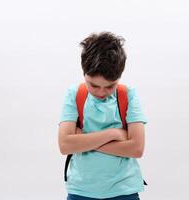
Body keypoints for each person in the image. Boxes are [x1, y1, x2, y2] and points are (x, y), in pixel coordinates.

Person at [58, 32, 147, 200]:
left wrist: (83, 141)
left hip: (124, 190)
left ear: (119, 77)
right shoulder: (74, 94)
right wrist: (113, 134)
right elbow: (64, 145)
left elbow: (136, 149)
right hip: (80, 191)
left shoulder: (128, 95)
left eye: (109, 86)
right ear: (84, 73)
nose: (101, 92)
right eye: (94, 85)